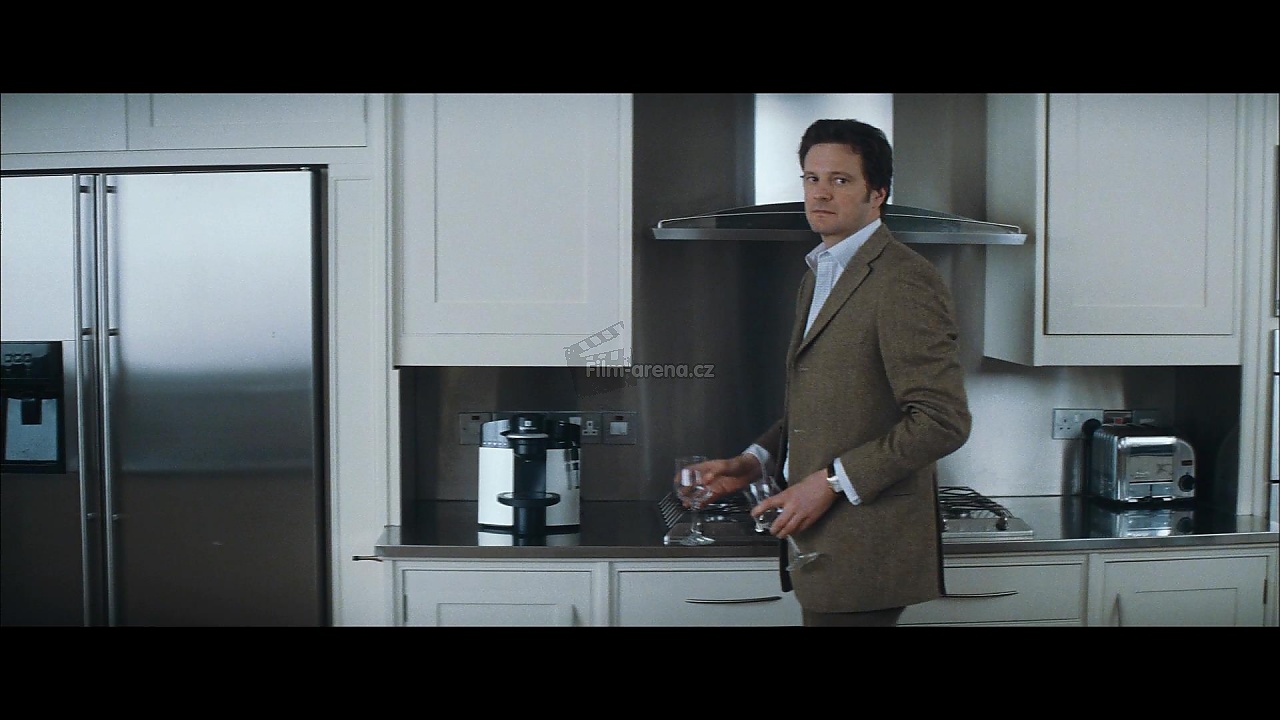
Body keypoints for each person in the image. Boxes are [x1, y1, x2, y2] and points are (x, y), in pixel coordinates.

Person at [687, 118, 972, 627]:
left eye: (840, 180)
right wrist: (752, 462)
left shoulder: (903, 280)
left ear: (877, 193)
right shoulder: (822, 272)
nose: (820, 193)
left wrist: (831, 482)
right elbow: (825, 401)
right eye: (811, 178)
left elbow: (942, 420)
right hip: (823, 546)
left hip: (867, 548)